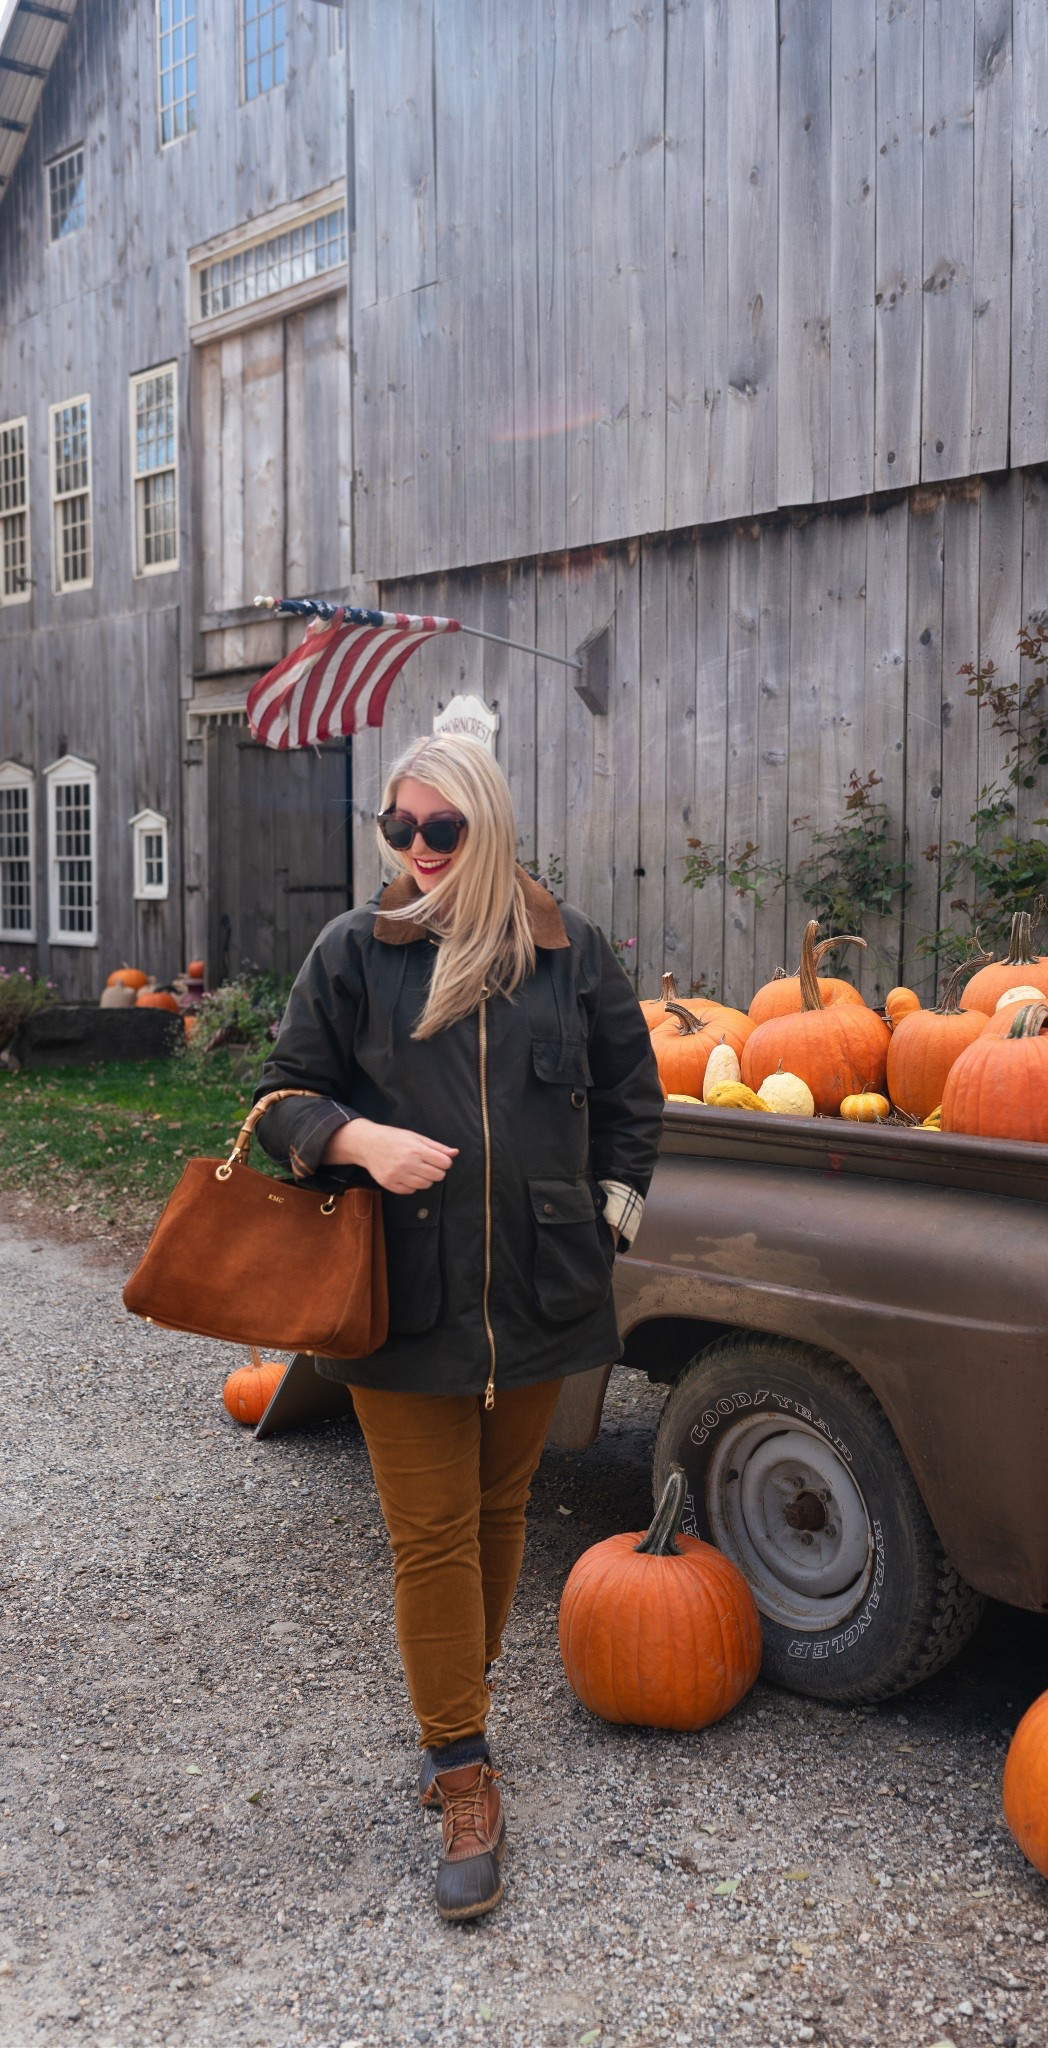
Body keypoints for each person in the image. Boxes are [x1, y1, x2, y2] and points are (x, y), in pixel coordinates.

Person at [253, 733, 663, 1921]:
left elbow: (632, 1102)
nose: (419, 851)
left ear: (490, 829)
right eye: (400, 829)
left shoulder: (567, 951)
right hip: (404, 1297)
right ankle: (460, 1766)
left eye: (443, 829)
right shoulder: (354, 953)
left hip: (540, 1291)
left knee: (496, 1514)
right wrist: (354, 1140)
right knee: (429, 1534)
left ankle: (457, 1702)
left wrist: (604, 1227)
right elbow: (278, 1097)